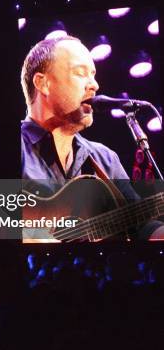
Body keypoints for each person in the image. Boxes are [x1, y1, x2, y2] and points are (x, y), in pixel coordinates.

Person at [20, 36, 164, 240]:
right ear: (43, 83)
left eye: (94, 75)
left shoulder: (105, 158)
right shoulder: (6, 148)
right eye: (80, 73)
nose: (94, 84)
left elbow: (142, 226)